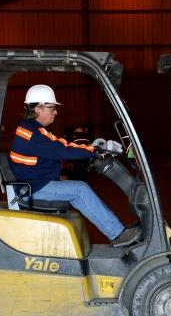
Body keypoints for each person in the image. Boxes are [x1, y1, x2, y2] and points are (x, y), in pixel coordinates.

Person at [9, 84, 141, 247]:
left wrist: (92, 147)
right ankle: (117, 234)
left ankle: (117, 230)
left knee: (79, 186)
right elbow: (62, 150)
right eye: (52, 108)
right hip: (34, 188)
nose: (55, 112)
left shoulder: (33, 129)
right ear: (38, 108)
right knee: (80, 190)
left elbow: (60, 144)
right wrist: (96, 150)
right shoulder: (32, 135)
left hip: (36, 183)